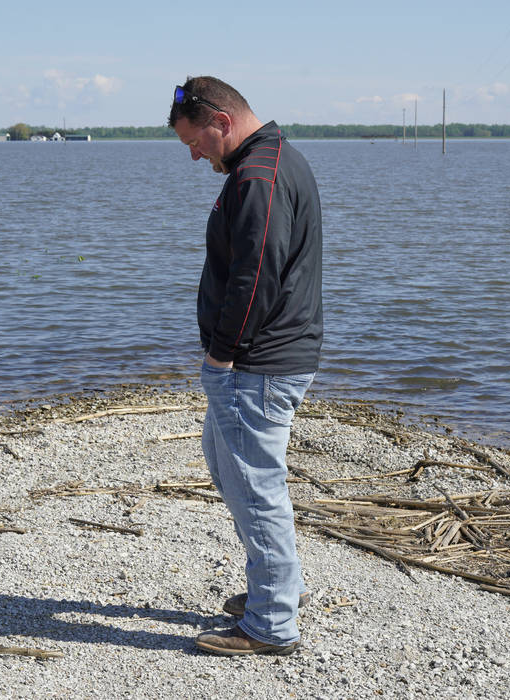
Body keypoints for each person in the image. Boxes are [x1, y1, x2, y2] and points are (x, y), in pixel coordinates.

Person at [168, 76, 323, 656]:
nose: (193, 154)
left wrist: (221, 355)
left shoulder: (259, 176)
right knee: (230, 468)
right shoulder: (267, 161)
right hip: (266, 358)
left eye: (196, 141)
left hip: (256, 364)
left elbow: (254, 277)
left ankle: (272, 624)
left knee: (256, 489)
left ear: (222, 122)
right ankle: (276, 587)